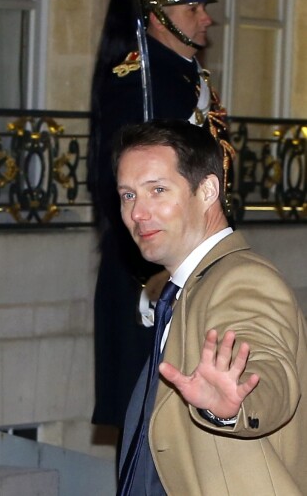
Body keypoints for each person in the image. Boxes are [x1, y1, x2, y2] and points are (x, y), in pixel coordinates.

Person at [114, 119, 307, 495]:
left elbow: (267, 366)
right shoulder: (185, 287)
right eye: (128, 195)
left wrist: (234, 403)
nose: (138, 213)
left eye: (157, 189)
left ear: (207, 191)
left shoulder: (242, 280)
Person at [88, 0, 230, 428]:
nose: (206, 18)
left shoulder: (188, 78)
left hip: (200, 261)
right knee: (150, 423)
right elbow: (117, 188)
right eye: (192, 9)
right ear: (156, 18)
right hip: (152, 270)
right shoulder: (137, 82)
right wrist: (144, 273)